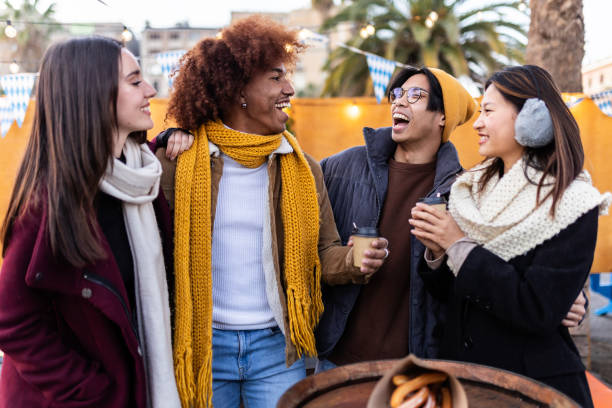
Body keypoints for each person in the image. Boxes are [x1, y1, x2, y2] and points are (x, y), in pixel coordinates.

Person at [153, 16, 388, 408]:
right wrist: (161, 138)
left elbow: (324, 253)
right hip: (203, 347)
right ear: (239, 88)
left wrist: (355, 261)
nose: (289, 88)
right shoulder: (179, 161)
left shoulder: (301, 168)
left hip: (278, 351)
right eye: (276, 78)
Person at [315, 66, 588, 372]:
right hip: (336, 357)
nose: (399, 102)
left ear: (442, 116)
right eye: (397, 94)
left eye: (415, 95)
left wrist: (568, 293)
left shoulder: (460, 190)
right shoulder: (337, 169)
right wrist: (345, 261)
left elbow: (501, 275)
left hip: (420, 367)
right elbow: (308, 250)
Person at [410, 65, 608, 407]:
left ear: (533, 118)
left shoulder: (572, 203)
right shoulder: (467, 192)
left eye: (488, 111)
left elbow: (537, 309)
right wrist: (439, 253)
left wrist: (459, 244)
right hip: (463, 381)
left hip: (530, 388)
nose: (477, 122)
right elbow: (451, 295)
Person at [0, 37, 180, 407]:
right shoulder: (50, 201)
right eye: (134, 81)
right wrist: (90, 390)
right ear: (94, 93)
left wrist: (174, 137)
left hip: (135, 390)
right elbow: (11, 319)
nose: (150, 89)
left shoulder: (142, 178)